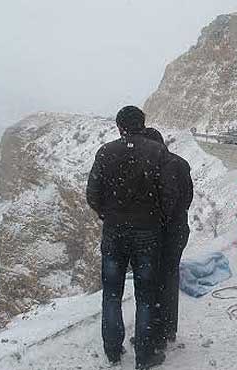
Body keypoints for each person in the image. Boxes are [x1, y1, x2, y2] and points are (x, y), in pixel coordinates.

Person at [86, 106, 167, 369]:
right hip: (147, 232)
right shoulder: (157, 151)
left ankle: (112, 350)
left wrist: (107, 215)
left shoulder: (106, 152)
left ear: (120, 126)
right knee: (145, 295)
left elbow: (93, 194)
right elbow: (168, 194)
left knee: (111, 294)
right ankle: (144, 356)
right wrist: (157, 219)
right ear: (142, 125)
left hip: (114, 232)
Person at [142, 128, 193, 350]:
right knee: (170, 278)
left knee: (153, 282)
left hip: (159, 231)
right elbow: (187, 197)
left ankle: (155, 332)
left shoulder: (153, 166)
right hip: (179, 228)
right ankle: (169, 327)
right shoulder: (180, 163)